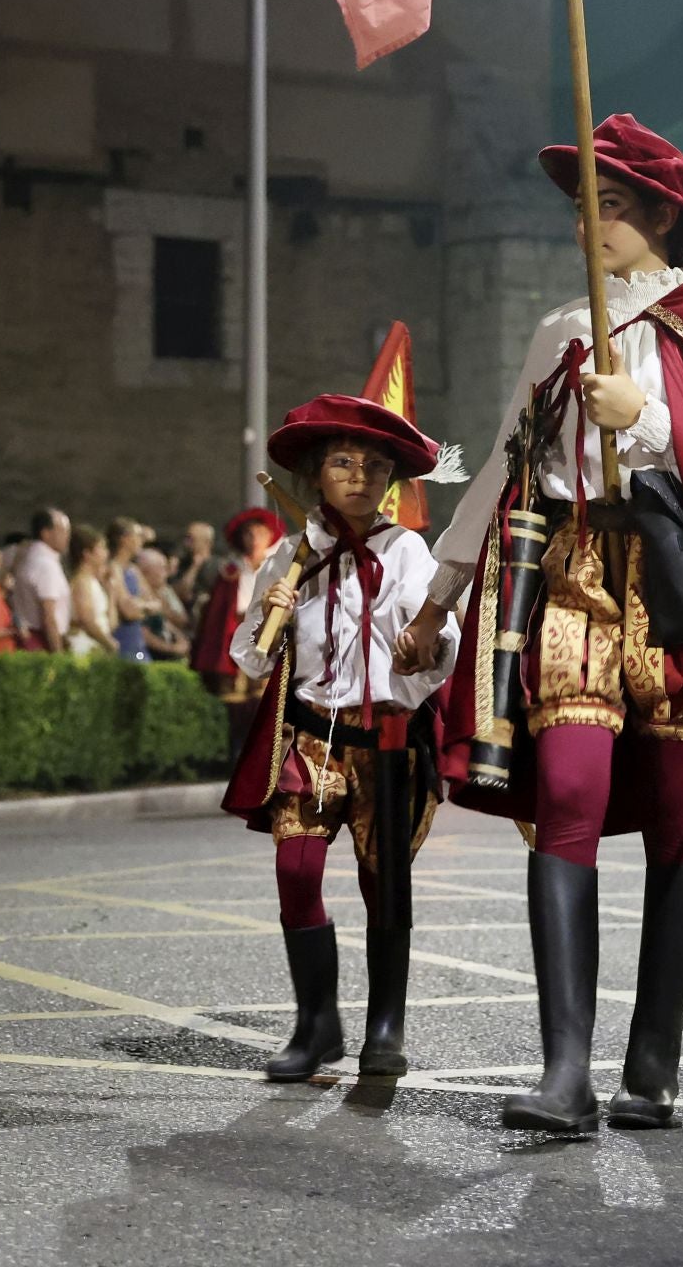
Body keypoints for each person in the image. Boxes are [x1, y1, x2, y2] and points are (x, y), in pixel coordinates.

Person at [393, 113, 683, 1133]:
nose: (596, 222)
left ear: (664, 219)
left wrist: (642, 414)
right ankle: (564, 1069)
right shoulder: (558, 331)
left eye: (619, 205)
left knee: (678, 821)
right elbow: (508, 464)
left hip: (680, 591)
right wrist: (440, 594)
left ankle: (654, 1058)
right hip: (572, 576)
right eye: (590, 204)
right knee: (568, 798)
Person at [222, 388, 461, 1083]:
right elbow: (251, 656)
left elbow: (435, 636)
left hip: (385, 739)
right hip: (309, 738)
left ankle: (384, 1027)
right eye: (344, 463)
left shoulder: (410, 551)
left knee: (384, 884)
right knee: (295, 871)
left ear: (391, 481)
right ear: (317, 475)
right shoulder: (293, 555)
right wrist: (271, 611)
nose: (360, 476)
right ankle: (316, 1023)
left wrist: (423, 646)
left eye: (375, 466)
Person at [191, 507, 285, 758]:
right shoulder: (231, 570)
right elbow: (219, 611)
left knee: (266, 699)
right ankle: (237, 750)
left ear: (269, 536)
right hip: (238, 635)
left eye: (259, 533)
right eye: (248, 534)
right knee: (235, 700)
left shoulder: (279, 567)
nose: (254, 539)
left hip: (270, 635)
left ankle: (266, 753)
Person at [12, 508, 71, 652]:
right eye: (63, 530)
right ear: (46, 533)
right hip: (42, 643)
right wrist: (58, 654)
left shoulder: (31, 558)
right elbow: (49, 616)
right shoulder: (45, 565)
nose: (67, 536)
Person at [65, 525, 118, 656]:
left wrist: (111, 594)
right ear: (87, 554)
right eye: (102, 547)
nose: (106, 553)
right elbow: (86, 619)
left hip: (98, 646)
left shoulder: (93, 582)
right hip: (85, 646)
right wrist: (109, 643)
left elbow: (109, 624)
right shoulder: (82, 582)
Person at [106, 518, 150, 663]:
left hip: (138, 642)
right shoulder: (113, 568)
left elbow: (157, 604)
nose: (141, 540)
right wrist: (144, 607)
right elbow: (129, 612)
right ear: (124, 539)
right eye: (137, 535)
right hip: (123, 642)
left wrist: (139, 605)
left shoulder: (134, 570)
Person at [136, 548, 189, 660]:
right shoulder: (137, 595)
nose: (166, 573)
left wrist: (180, 640)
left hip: (168, 650)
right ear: (145, 571)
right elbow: (142, 632)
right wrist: (171, 648)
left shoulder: (164, 592)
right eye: (161, 568)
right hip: (146, 655)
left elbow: (179, 620)